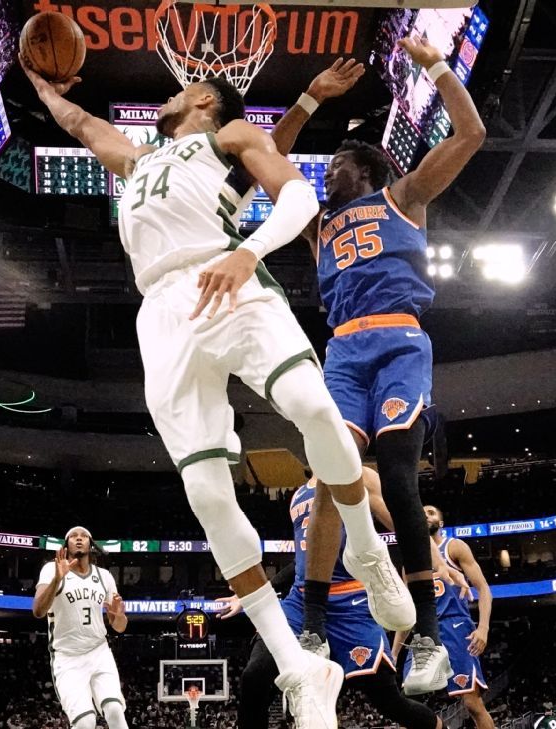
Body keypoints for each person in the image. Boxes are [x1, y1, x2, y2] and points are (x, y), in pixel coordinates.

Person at [23, 49, 412, 729]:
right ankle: (298, 666)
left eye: (186, 87)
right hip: (161, 313)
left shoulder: (228, 135)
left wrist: (248, 251)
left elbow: (297, 193)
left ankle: (365, 547)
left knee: (312, 407)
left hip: (227, 276)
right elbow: (81, 122)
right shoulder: (139, 160)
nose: (171, 93)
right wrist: (39, 82)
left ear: (205, 101)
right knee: (205, 495)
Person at [266, 35, 487, 694]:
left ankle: (426, 638)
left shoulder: (405, 196)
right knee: (330, 477)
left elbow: (471, 133)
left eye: (337, 164)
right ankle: (312, 625)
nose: (326, 172)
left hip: (397, 341)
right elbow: (269, 157)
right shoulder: (317, 225)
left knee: (395, 473)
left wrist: (437, 66)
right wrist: (310, 98)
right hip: (342, 350)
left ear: (367, 169)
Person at [227, 468, 442, 729]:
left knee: (388, 701)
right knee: (254, 676)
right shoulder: (298, 494)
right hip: (302, 600)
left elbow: (407, 526)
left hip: (351, 599)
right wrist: (251, 594)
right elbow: (302, 560)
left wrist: (438, 559)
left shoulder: (357, 474)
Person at [392, 506, 495, 728]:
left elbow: (484, 589)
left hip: (455, 625)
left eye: (431, 512)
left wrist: (483, 628)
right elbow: (408, 612)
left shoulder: (454, 547)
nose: (425, 515)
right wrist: (394, 653)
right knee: (406, 702)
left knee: (472, 704)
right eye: (421, 512)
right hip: (424, 632)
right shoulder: (410, 563)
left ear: (441, 523)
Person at [33, 526, 129, 729]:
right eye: (73, 536)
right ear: (66, 544)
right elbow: (38, 611)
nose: (79, 539)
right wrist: (57, 579)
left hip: (99, 652)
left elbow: (119, 627)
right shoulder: (51, 569)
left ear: (91, 545)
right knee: (85, 722)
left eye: (84, 536)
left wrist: (119, 616)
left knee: (115, 710)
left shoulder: (104, 576)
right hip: (67, 657)